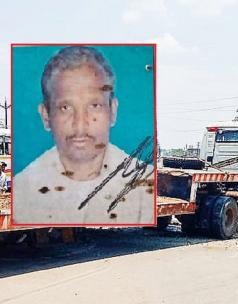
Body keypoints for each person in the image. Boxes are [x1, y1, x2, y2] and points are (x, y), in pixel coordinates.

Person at [13, 46, 154, 224]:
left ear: (113, 111)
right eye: (66, 108)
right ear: (46, 116)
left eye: (94, 105)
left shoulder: (144, 187)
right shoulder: (23, 192)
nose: (80, 124)